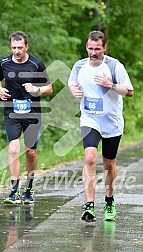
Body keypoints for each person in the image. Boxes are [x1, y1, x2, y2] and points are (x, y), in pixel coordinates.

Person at [68, 30, 134, 221]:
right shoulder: (80, 66)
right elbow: (72, 83)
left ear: (104, 47)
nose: (93, 52)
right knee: (89, 157)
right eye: (90, 48)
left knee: (108, 163)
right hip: (90, 118)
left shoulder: (114, 66)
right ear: (86, 47)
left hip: (111, 121)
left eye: (97, 48)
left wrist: (110, 85)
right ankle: (89, 205)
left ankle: (109, 199)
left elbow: (129, 91)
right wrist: (75, 92)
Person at [0, 31, 52, 204]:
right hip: (12, 112)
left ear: (26, 46)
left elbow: (49, 88)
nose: (16, 51)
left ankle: (29, 188)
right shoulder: (4, 62)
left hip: (32, 113)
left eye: (20, 47)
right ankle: (14, 190)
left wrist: (36, 89)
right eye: (13, 48)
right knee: (13, 148)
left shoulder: (36, 64)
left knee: (31, 152)